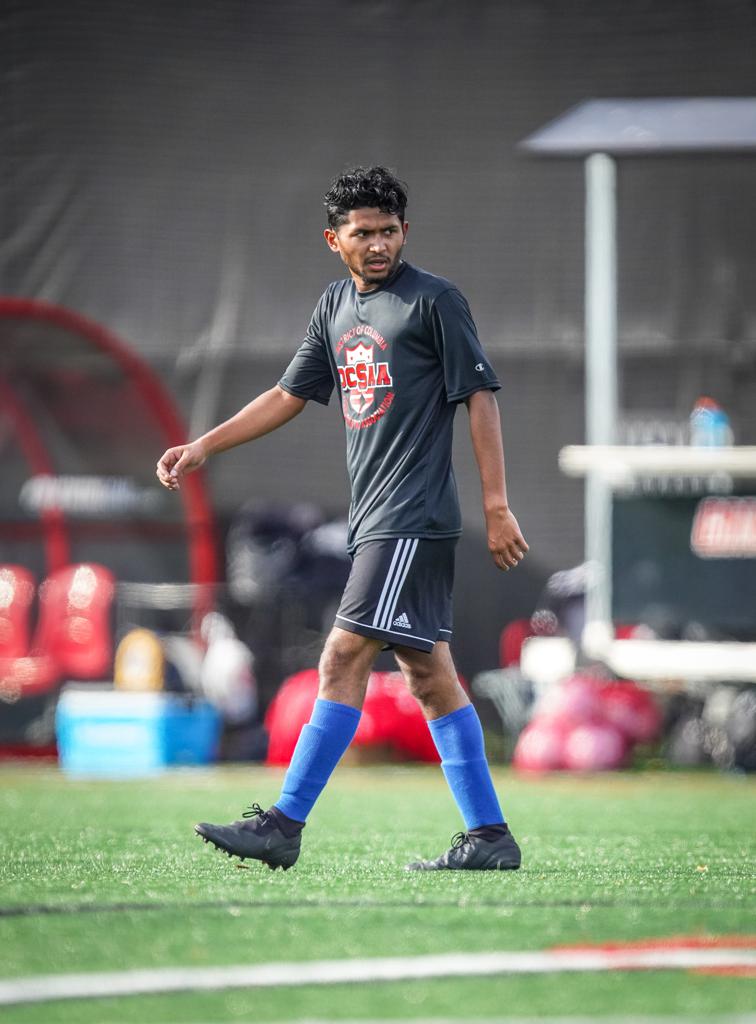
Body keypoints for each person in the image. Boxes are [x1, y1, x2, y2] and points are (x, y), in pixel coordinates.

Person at [156, 166, 528, 872]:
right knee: (430, 676)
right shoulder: (334, 306)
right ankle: (489, 836)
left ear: (405, 232)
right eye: (364, 233)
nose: (379, 244)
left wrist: (497, 504)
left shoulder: (435, 301)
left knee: (341, 656)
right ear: (335, 240)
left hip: (411, 519)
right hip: (376, 520)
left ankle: (283, 825)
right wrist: (204, 445)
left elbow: (480, 397)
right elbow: (288, 393)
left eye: (390, 231)